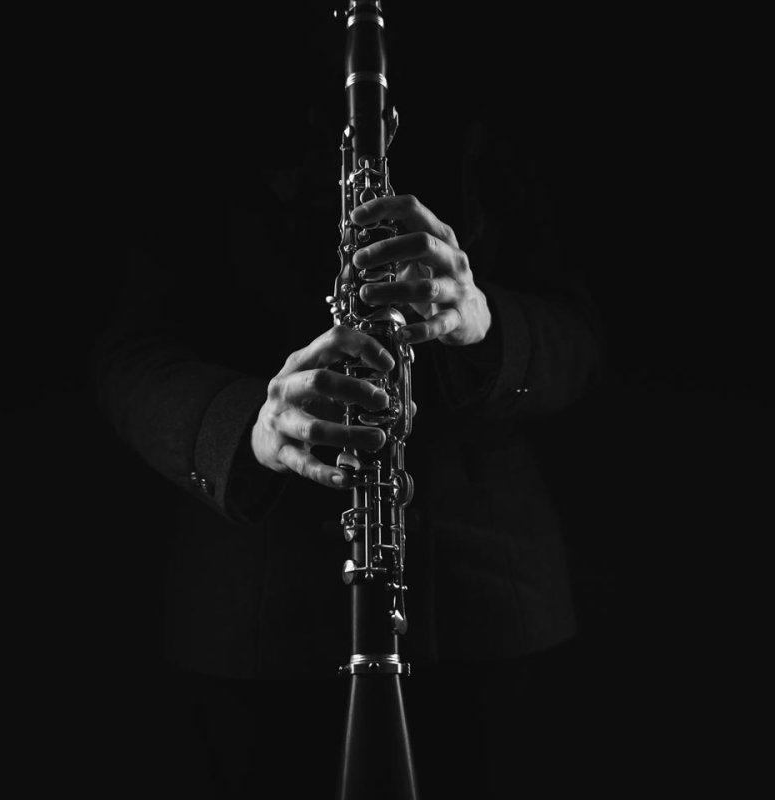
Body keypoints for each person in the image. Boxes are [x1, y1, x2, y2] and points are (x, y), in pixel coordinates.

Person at [93, 12, 602, 797]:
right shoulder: (193, 90)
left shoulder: (499, 84)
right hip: (258, 634)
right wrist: (250, 427)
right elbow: (129, 353)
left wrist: (484, 322)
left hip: (496, 612)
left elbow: (583, 339)